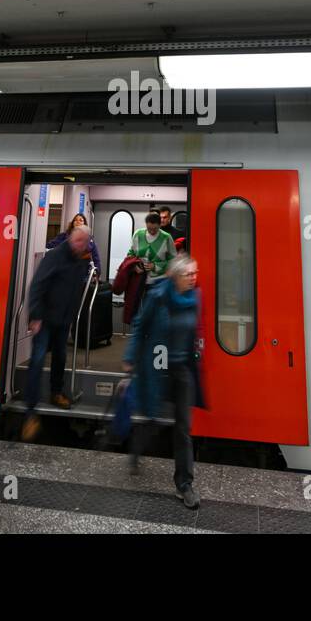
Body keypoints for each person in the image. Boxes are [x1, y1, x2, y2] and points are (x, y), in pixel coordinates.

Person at [123, 254, 204, 509]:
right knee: (153, 418)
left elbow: (193, 332)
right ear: (176, 276)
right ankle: (135, 453)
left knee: (183, 427)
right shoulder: (158, 297)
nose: (193, 278)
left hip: (182, 369)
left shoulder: (194, 299)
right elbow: (140, 326)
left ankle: (184, 484)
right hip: (158, 365)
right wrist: (130, 358)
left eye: (195, 273)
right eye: (189, 274)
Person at [22, 224, 93, 439]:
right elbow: (37, 285)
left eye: (82, 242)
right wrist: (35, 316)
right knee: (38, 358)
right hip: (44, 318)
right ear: (70, 237)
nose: (78, 245)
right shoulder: (55, 256)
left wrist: (71, 316)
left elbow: (76, 288)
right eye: (76, 240)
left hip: (64, 319)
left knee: (60, 357)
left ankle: (56, 392)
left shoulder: (82, 259)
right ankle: (30, 410)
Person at [130, 212, 177, 287]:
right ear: (146, 225)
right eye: (149, 229)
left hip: (160, 281)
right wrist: (134, 266)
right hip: (139, 279)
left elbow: (173, 260)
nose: (152, 231)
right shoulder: (138, 234)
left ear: (159, 225)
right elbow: (131, 254)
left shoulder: (166, 238)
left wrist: (155, 266)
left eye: (155, 229)